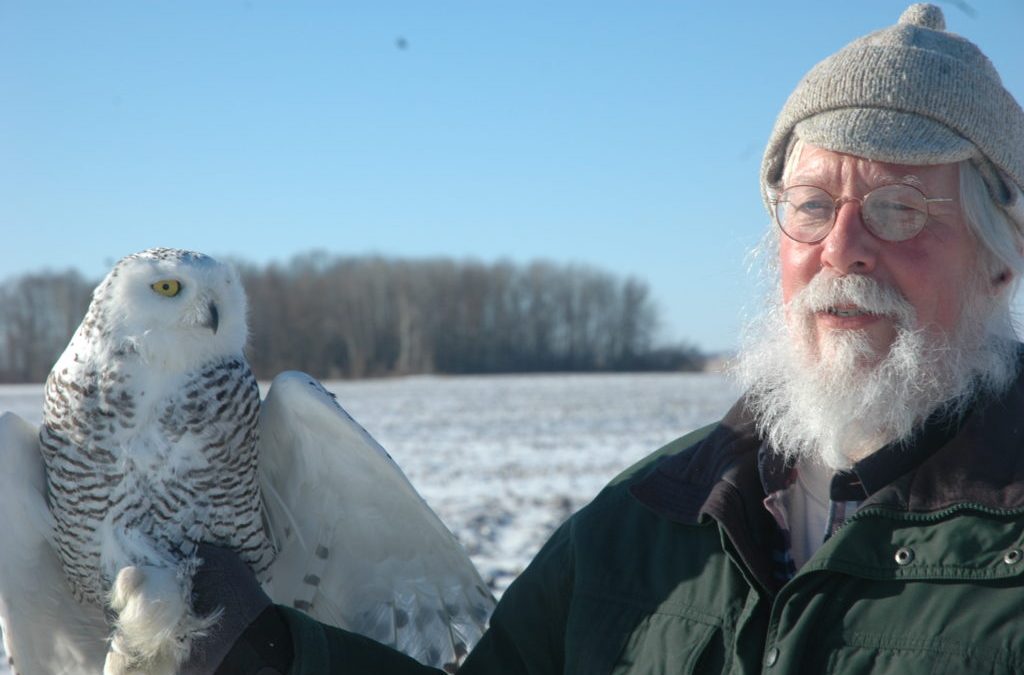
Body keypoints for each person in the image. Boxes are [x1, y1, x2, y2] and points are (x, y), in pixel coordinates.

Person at [187, 4, 1024, 672]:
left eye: (899, 208)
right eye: (811, 207)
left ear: (1001, 261)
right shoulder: (650, 517)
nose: (841, 248)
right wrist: (263, 655)